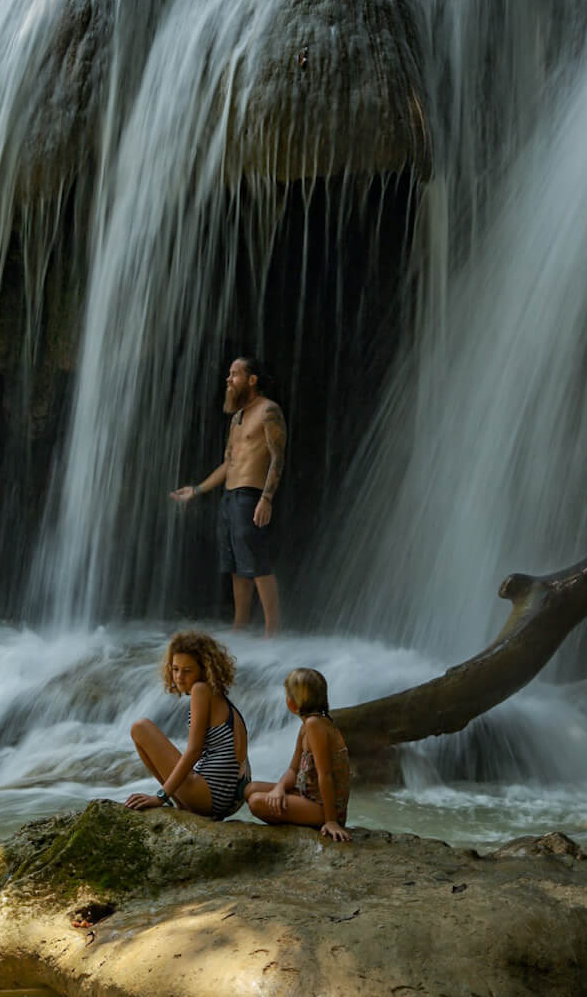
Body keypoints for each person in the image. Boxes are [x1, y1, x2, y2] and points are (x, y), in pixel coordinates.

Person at [171, 356, 285, 636]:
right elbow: (228, 464)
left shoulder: (268, 410)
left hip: (251, 496)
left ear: (252, 379)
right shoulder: (236, 418)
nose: (228, 379)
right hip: (229, 498)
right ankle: (240, 627)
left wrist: (266, 499)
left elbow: (277, 458)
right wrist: (196, 490)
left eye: (234, 374)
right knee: (236, 566)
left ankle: (273, 632)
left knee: (257, 564)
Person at [125, 630, 250, 820]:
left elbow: (194, 752)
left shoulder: (201, 690)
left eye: (187, 670)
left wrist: (160, 797)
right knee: (141, 730)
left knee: (140, 728)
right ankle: (179, 801)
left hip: (212, 795)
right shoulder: (221, 699)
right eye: (175, 669)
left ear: (204, 669)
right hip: (231, 798)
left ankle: (170, 798)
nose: (179, 677)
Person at [245, 667, 351, 841]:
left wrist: (331, 820)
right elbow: (293, 770)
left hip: (324, 807)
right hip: (307, 794)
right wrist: (278, 789)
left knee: (256, 802)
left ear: (292, 703)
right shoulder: (307, 726)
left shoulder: (315, 725)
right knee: (250, 789)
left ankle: (307, 820)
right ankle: (293, 811)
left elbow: (326, 775)